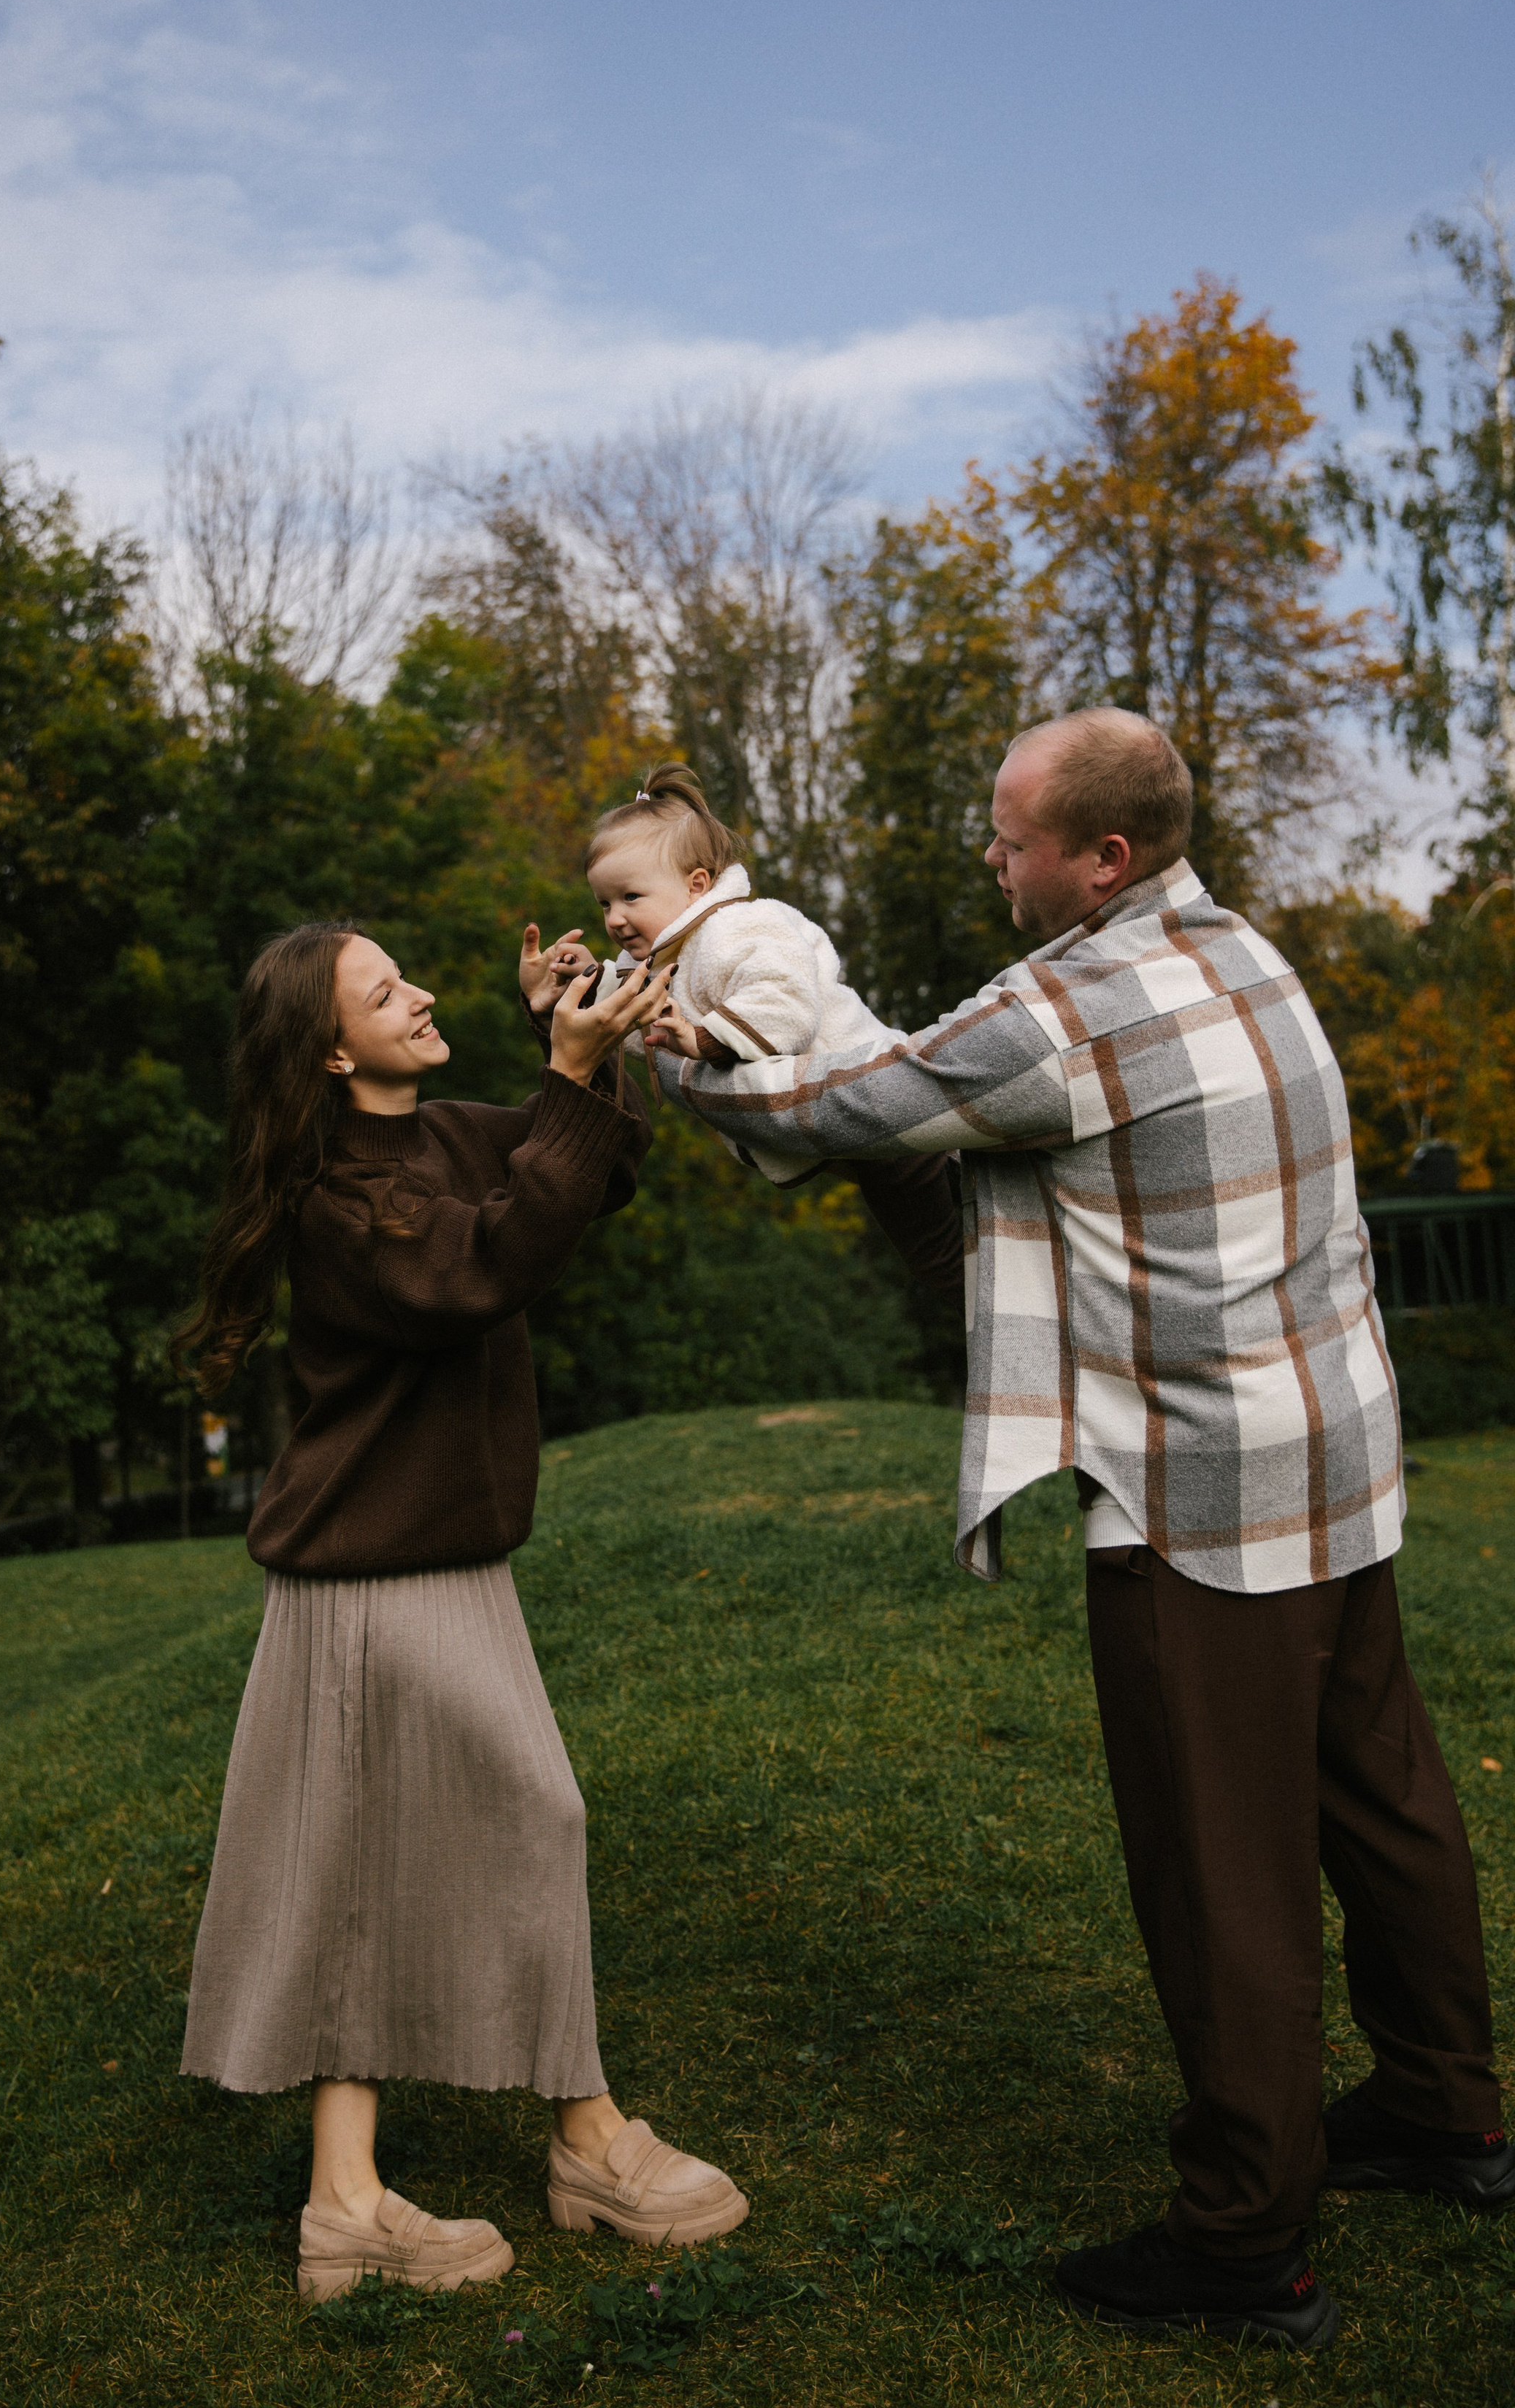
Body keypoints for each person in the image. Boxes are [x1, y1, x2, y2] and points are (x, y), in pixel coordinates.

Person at [649, 706, 1509, 2355]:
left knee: (1217, 1858)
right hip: (1336, 1451)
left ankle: (1244, 2233)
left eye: (1009, 831)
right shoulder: (1236, 945)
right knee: (1381, 1790)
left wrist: (660, 1048)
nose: (989, 850)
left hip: (1199, 1495)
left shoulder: (1070, 1007)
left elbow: (831, 1108)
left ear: (1098, 856)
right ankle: (1444, 2111)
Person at [175, 920, 750, 2305]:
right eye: (386, 992)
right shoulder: (334, 1201)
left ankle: (347, 2203)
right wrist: (562, 1069)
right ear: (329, 1048)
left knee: (362, 1872)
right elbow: (487, 1267)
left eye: (408, 977)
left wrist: (584, 1050)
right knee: (534, 1817)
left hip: (442, 1562)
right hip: (372, 1580)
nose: (419, 995)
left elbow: (587, 1179)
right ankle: (589, 2140)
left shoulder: (441, 1137)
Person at [521, 761, 964, 1307]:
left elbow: (785, 1003)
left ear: (696, 885)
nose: (614, 919)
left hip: (886, 1100)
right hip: (853, 1127)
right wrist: (586, 981)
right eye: (604, 903)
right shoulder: (676, 952)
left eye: (631, 897)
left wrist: (707, 1040)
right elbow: (641, 1020)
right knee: (954, 1243)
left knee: (946, 1262)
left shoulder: (741, 927)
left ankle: (1019, 1319)